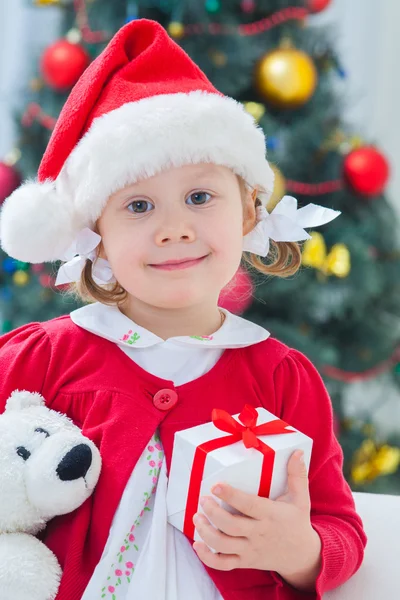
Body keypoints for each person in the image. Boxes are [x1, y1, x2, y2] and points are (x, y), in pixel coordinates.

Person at [0, 18, 366, 600]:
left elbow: (339, 528)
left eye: (200, 197)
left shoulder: (280, 377)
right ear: (96, 233)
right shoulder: (40, 358)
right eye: (138, 205)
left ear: (247, 213)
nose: (174, 229)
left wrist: (300, 551)